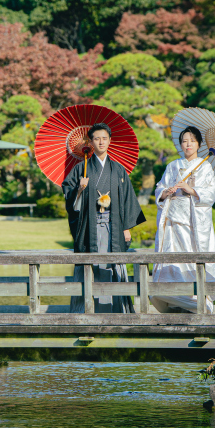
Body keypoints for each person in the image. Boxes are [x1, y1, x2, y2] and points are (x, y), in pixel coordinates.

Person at [62, 122, 146, 313]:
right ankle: (87, 310)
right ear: (91, 142)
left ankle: (116, 309)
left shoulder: (118, 169)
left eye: (104, 138)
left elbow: (127, 199)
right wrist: (79, 189)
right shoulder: (81, 169)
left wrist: (126, 228)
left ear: (109, 141)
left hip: (114, 226)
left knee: (113, 264)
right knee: (91, 264)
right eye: (96, 139)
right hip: (90, 227)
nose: (101, 142)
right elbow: (69, 197)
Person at [151, 125, 215, 313]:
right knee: (172, 257)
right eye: (184, 141)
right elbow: (159, 188)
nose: (188, 144)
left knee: (191, 258)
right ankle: (172, 297)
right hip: (172, 223)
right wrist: (166, 192)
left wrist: (191, 190)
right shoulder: (172, 166)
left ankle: (196, 299)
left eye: (192, 141)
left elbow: (213, 191)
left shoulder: (205, 166)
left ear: (199, 144)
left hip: (192, 223)